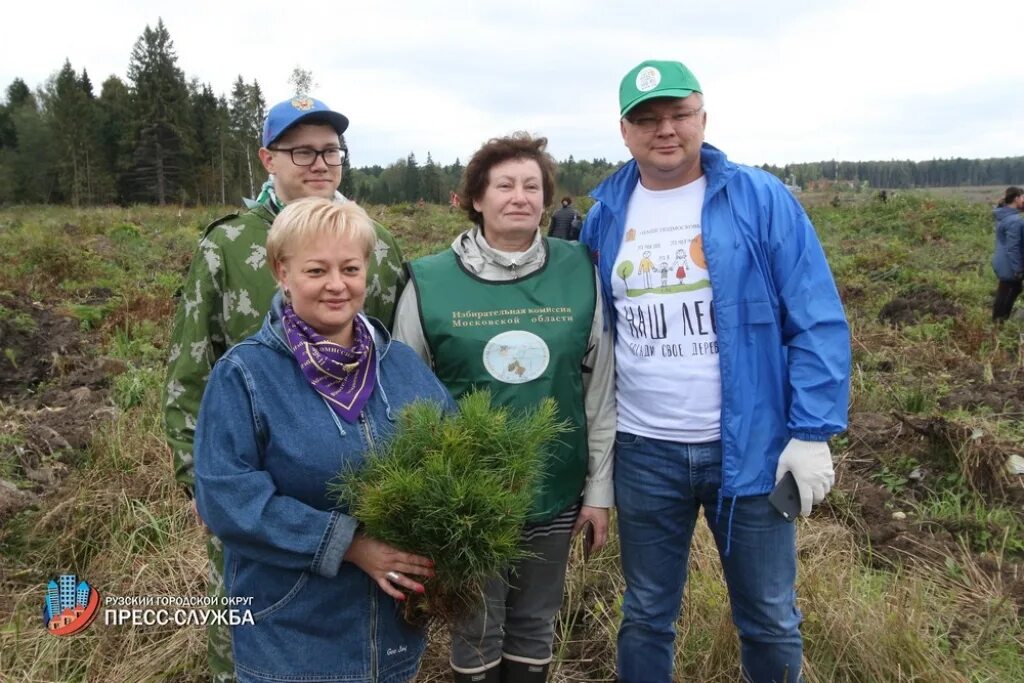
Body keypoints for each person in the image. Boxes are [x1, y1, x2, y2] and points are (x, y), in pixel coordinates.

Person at [580, 59, 850, 683]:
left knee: (769, 616)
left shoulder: (760, 199)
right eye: (647, 119)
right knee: (646, 612)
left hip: (752, 450)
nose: (665, 129)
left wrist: (811, 431)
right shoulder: (606, 215)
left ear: (703, 117)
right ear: (625, 131)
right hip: (645, 451)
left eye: (678, 114)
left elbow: (815, 318)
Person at [162, 96, 406, 682]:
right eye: (302, 152)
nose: (319, 163)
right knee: (252, 619)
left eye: (329, 151)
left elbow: (399, 361)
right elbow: (191, 367)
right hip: (255, 477)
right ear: (268, 159)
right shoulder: (228, 245)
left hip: (356, 477)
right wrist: (198, 480)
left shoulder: (378, 243)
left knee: (356, 616)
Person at [194, 197, 453, 683]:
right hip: (292, 642)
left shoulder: (399, 365)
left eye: (351, 268)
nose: (337, 285)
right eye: (316, 270)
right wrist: (348, 543)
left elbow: (452, 452)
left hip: (392, 642)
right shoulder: (245, 376)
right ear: (281, 272)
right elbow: (228, 499)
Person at [393, 133, 615, 682]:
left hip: (555, 489)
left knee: (536, 623)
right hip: (466, 498)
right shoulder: (429, 280)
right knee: (476, 626)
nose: (520, 196)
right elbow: (402, 397)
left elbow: (600, 389)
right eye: (505, 185)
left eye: (532, 186)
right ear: (475, 198)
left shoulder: (580, 270)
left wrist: (599, 493)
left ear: (547, 200)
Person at [991, 186, 1024, 322]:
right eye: (1023, 198)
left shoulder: (1005, 215)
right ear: (1016, 198)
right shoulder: (1014, 221)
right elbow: (1013, 247)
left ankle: (998, 323)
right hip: (1009, 263)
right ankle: (998, 324)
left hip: (1002, 259)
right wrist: (1018, 269)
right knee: (1008, 292)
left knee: (1009, 290)